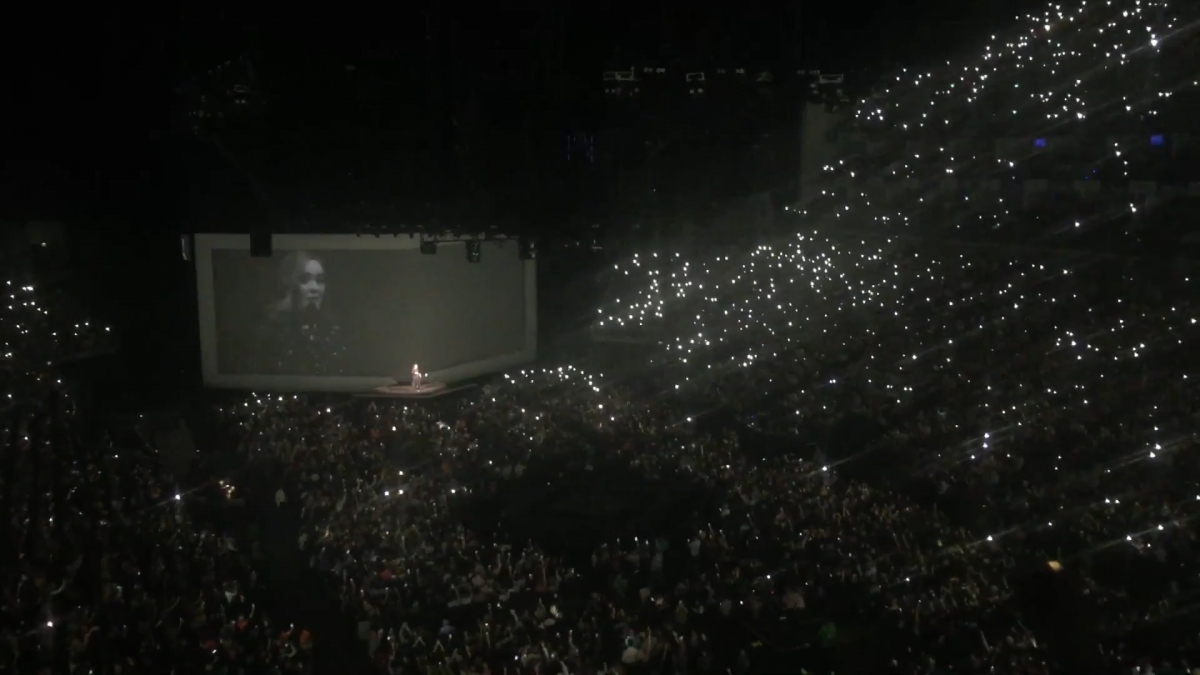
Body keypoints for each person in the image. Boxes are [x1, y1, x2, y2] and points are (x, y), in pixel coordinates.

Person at [248, 251, 346, 375]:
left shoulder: (332, 329)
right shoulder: (268, 330)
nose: (315, 288)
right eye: (305, 279)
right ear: (289, 283)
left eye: (320, 280)